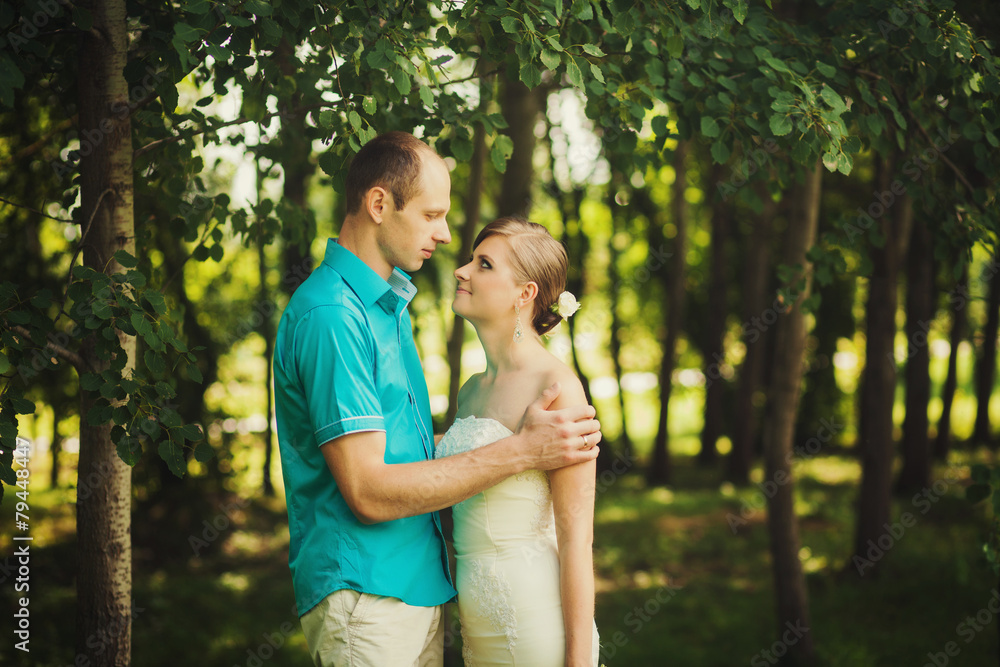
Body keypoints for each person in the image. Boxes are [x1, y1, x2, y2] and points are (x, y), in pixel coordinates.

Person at [271, 131, 602, 667]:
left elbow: (410, 450)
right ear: (380, 204)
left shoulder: (388, 308)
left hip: (426, 590)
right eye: (431, 215)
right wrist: (522, 451)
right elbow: (369, 491)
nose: (447, 238)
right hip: (367, 591)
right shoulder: (334, 315)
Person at [437, 217, 601, 666]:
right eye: (471, 259)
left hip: (533, 624)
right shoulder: (471, 389)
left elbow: (575, 538)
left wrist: (578, 660)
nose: (462, 271)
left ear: (524, 294)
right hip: (478, 630)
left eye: (484, 264)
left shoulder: (556, 387)